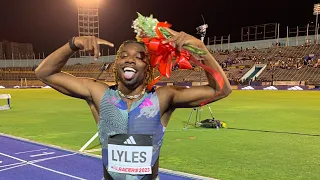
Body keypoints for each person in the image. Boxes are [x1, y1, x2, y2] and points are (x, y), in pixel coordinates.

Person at [35, 28, 232, 180]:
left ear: (148, 67)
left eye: (140, 57)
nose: (130, 60)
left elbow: (221, 89)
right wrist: (73, 44)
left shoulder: (163, 98)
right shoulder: (99, 93)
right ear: (116, 63)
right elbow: (44, 73)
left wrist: (201, 50)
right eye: (123, 55)